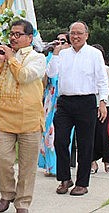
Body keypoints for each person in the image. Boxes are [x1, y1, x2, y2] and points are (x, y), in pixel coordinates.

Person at [0, 19, 46, 213]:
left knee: (28, 166)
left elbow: (25, 76)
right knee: (1, 158)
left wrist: (10, 58)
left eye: (18, 34)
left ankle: (22, 203)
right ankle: (6, 194)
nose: (13, 37)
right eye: (11, 34)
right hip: (4, 118)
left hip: (29, 119)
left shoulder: (37, 58)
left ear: (29, 37)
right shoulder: (5, 56)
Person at [47, 21, 108, 196]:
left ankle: (82, 183)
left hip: (87, 102)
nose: (75, 36)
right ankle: (65, 179)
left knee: (85, 144)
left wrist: (102, 101)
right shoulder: (63, 54)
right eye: (72, 33)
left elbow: (102, 80)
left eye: (79, 33)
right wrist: (56, 54)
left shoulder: (94, 54)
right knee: (60, 141)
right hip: (65, 102)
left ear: (86, 35)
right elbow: (51, 74)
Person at [38, 32, 71, 177]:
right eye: (57, 40)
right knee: (48, 131)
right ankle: (50, 165)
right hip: (50, 98)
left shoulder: (71, 58)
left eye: (63, 41)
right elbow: (50, 75)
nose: (59, 43)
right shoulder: (50, 58)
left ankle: (59, 165)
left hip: (64, 97)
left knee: (62, 134)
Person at [90, 44, 109, 174]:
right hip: (88, 105)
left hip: (104, 105)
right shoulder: (86, 68)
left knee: (102, 133)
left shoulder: (107, 70)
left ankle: (107, 159)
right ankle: (92, 161)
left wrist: (102, 101)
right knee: (89, 134)